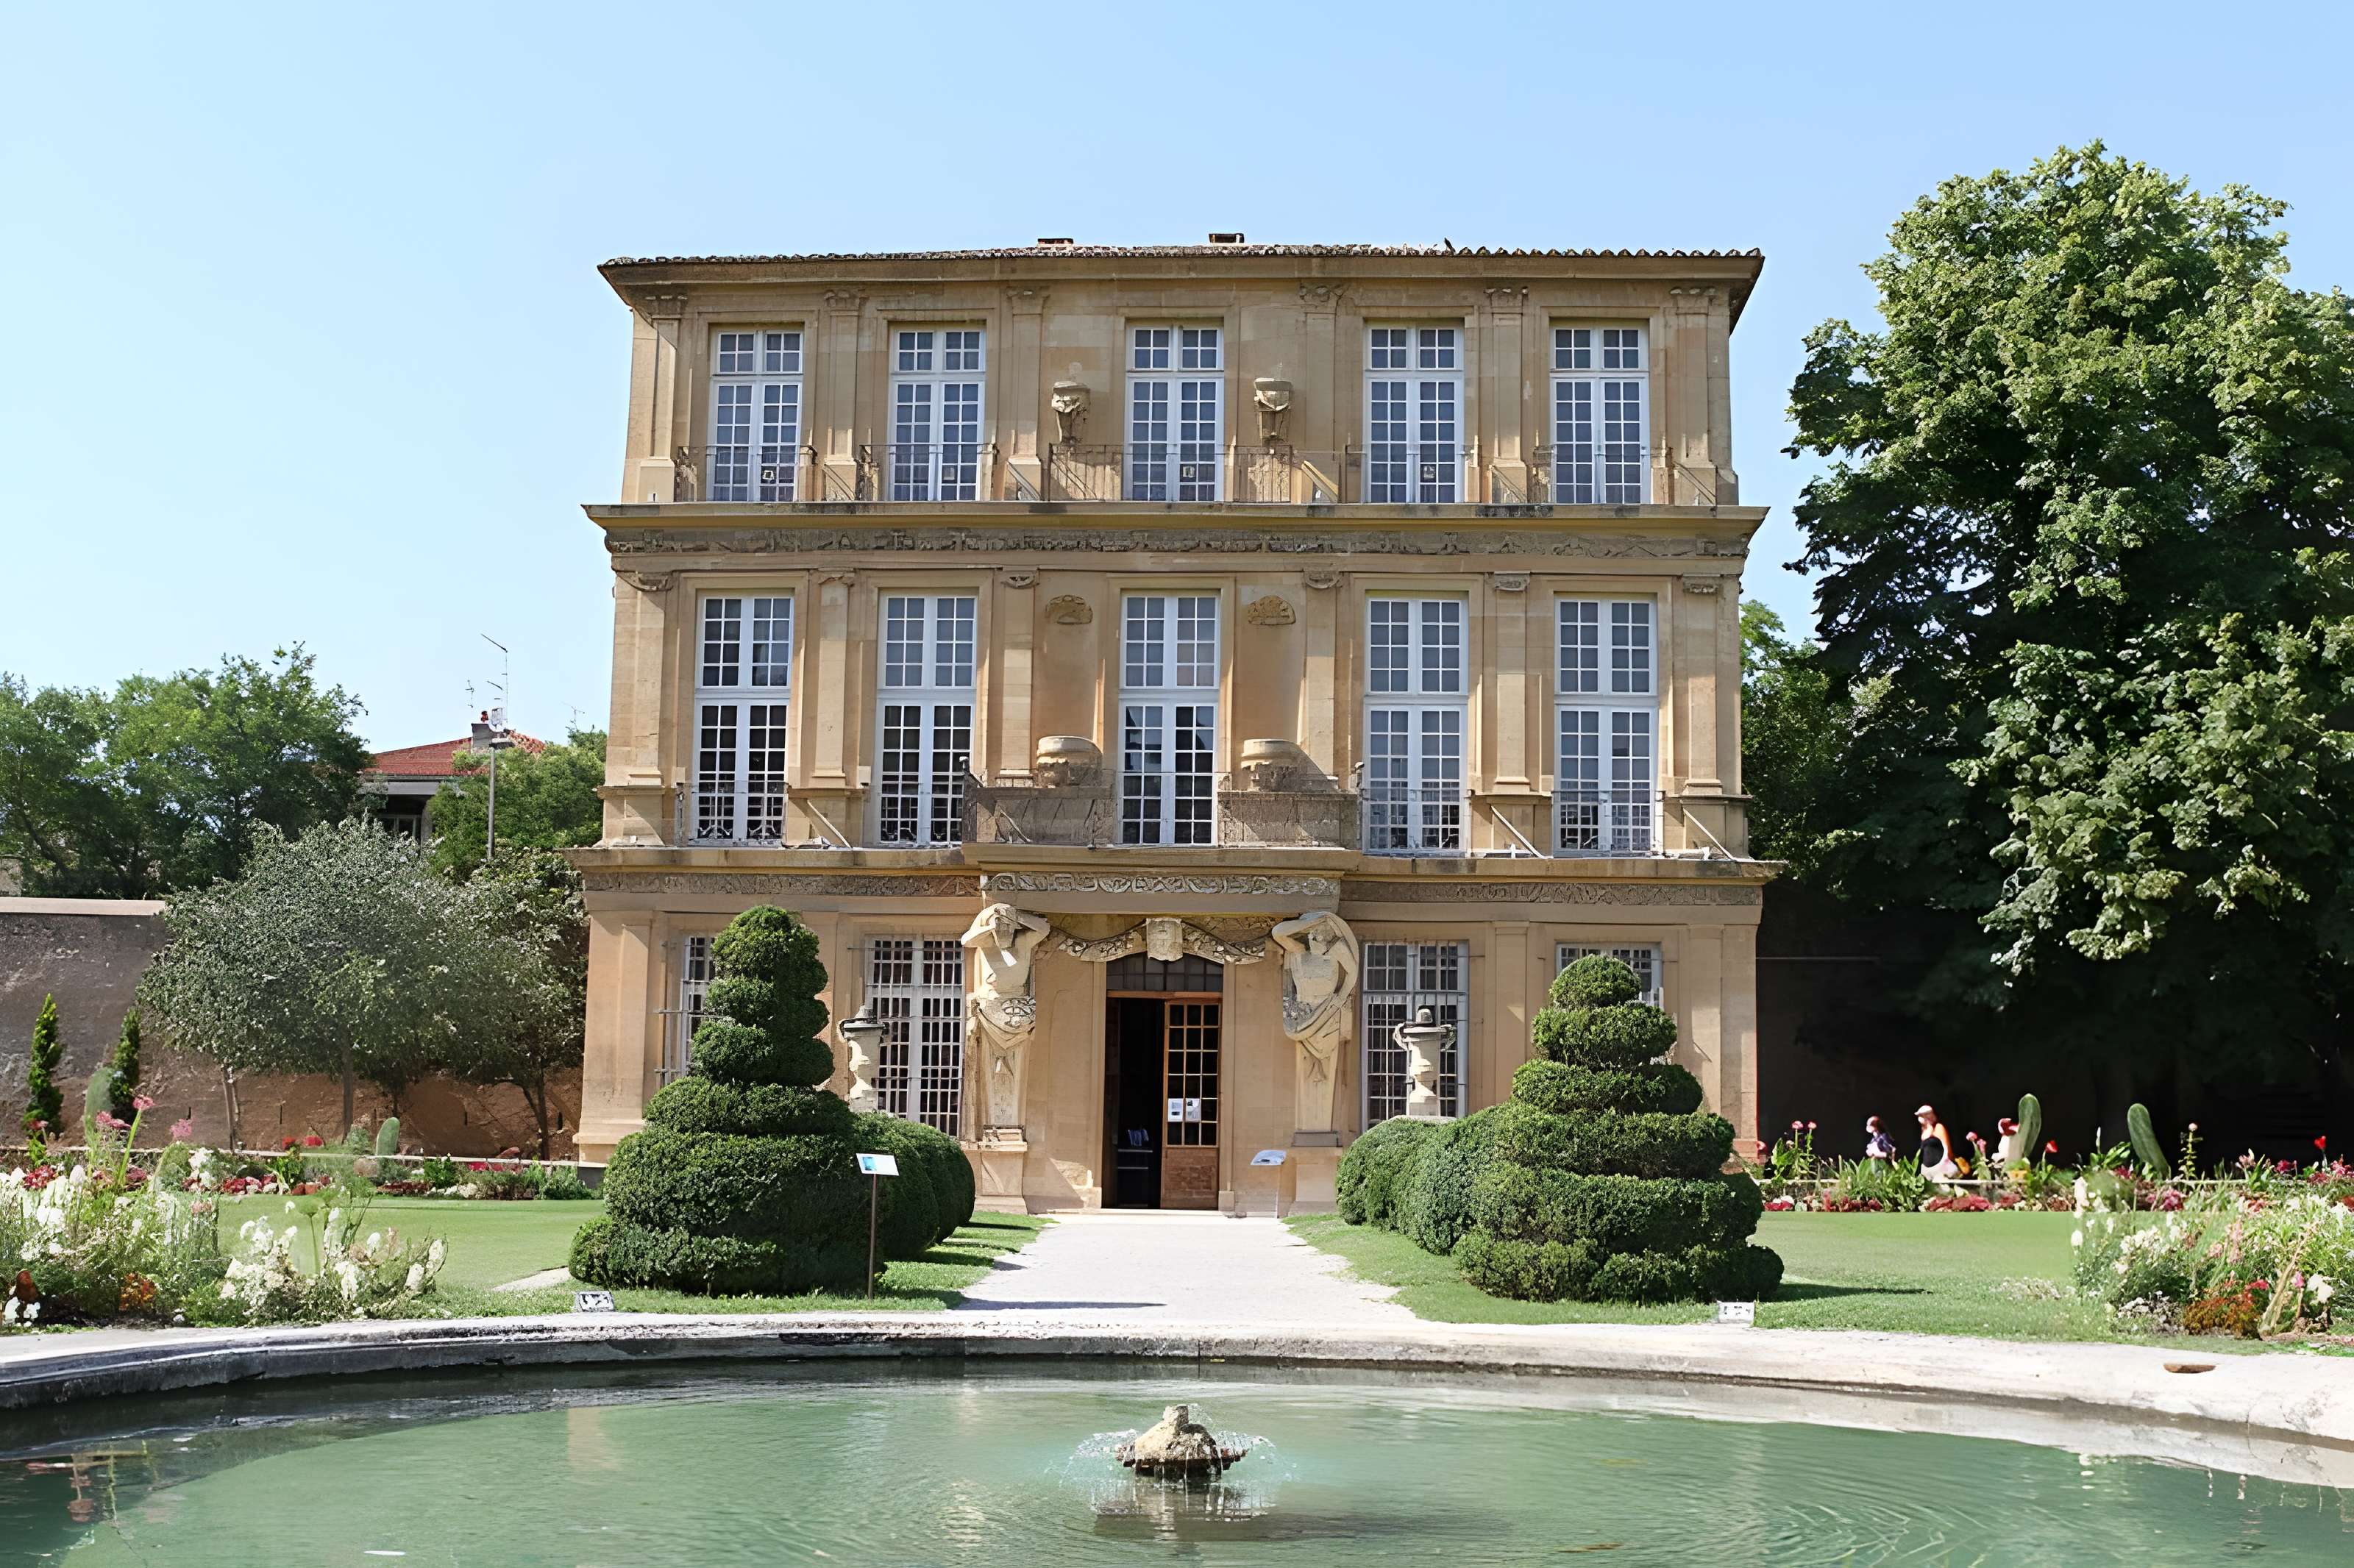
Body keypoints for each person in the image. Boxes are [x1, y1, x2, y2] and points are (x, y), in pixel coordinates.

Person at [1915, 1104, 1960, 1180]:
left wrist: (1949, 1159)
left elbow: (1946, 1146)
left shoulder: (1939, 1127)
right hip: (1929, 1169)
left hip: (1942, 1166)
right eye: (1921, 1116)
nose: (1921, 1118)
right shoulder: (1925, 1131)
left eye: (1923, 1116)